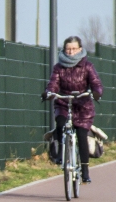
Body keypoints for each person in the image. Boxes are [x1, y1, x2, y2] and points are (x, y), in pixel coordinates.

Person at [43, 35, 103, 184]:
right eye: (68, 49)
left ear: (80, 49)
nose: (70, 52)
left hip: (83, 106)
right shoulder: (58, 67)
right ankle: (60, 155)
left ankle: (85, 171)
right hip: (63, 102)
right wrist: (49, 93)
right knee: (60, 124)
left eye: (74, 49)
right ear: (64, 50)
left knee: (82, 135)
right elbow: (53, 84)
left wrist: (96, 92)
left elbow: (96, 83)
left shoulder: (87, 66)